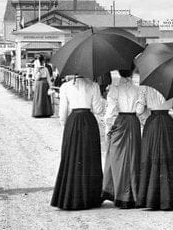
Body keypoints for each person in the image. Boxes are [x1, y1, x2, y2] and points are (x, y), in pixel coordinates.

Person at [51, 73, 105, 210]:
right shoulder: (94, 86)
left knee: (72, 157)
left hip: (73, 121)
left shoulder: (65, 87)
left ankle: (70, 195)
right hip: (88, 120)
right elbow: (98, 109)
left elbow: (62, 112)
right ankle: (91, 196)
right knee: (89, 157)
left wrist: (65, 126)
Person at [135, 86, 173, 211]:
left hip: (153, 123)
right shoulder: (172, 85)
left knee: (151, 157)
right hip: (167, 122)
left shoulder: (146, 87)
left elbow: (139, 110)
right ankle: (171, 196)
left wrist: (140, 102)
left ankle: (150, 197)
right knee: (169, 157)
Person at [102, 69, 146, 208]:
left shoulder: (114, 89)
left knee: (116, 158)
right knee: (133, 157)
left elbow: (110, 112)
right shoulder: (138, 89)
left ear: (119, 72)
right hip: (133, 122)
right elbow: (140, 111)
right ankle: (132, 193)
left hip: (120, 121)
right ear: (133, 71)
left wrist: (108, 130)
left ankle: (116, 192)